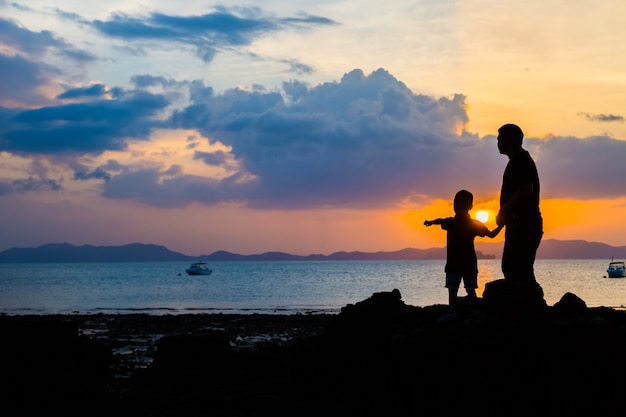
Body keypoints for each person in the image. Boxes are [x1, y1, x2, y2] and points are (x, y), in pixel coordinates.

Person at [424, 189, 503, 306]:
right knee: (471, 293)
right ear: (471, 206)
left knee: (452, 294)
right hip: (469, 264)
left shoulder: (451, 222)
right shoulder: (474, 224)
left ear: (455, 206)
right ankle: (473, 315)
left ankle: (454, 314)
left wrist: (430, 222)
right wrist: (502, 225)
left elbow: (439, 220)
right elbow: (491, 234)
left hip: (453, 265)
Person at [495, 123, 543, 282]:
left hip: (525, 225)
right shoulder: (518, 160)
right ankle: (529, 303)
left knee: (516, 268)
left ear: (508, 140)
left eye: (499, 139)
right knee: (514, 268)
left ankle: (530, 304)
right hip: (520, 224)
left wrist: (504, 210)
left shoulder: (521, 160)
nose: (497, 142)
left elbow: (526, 190)